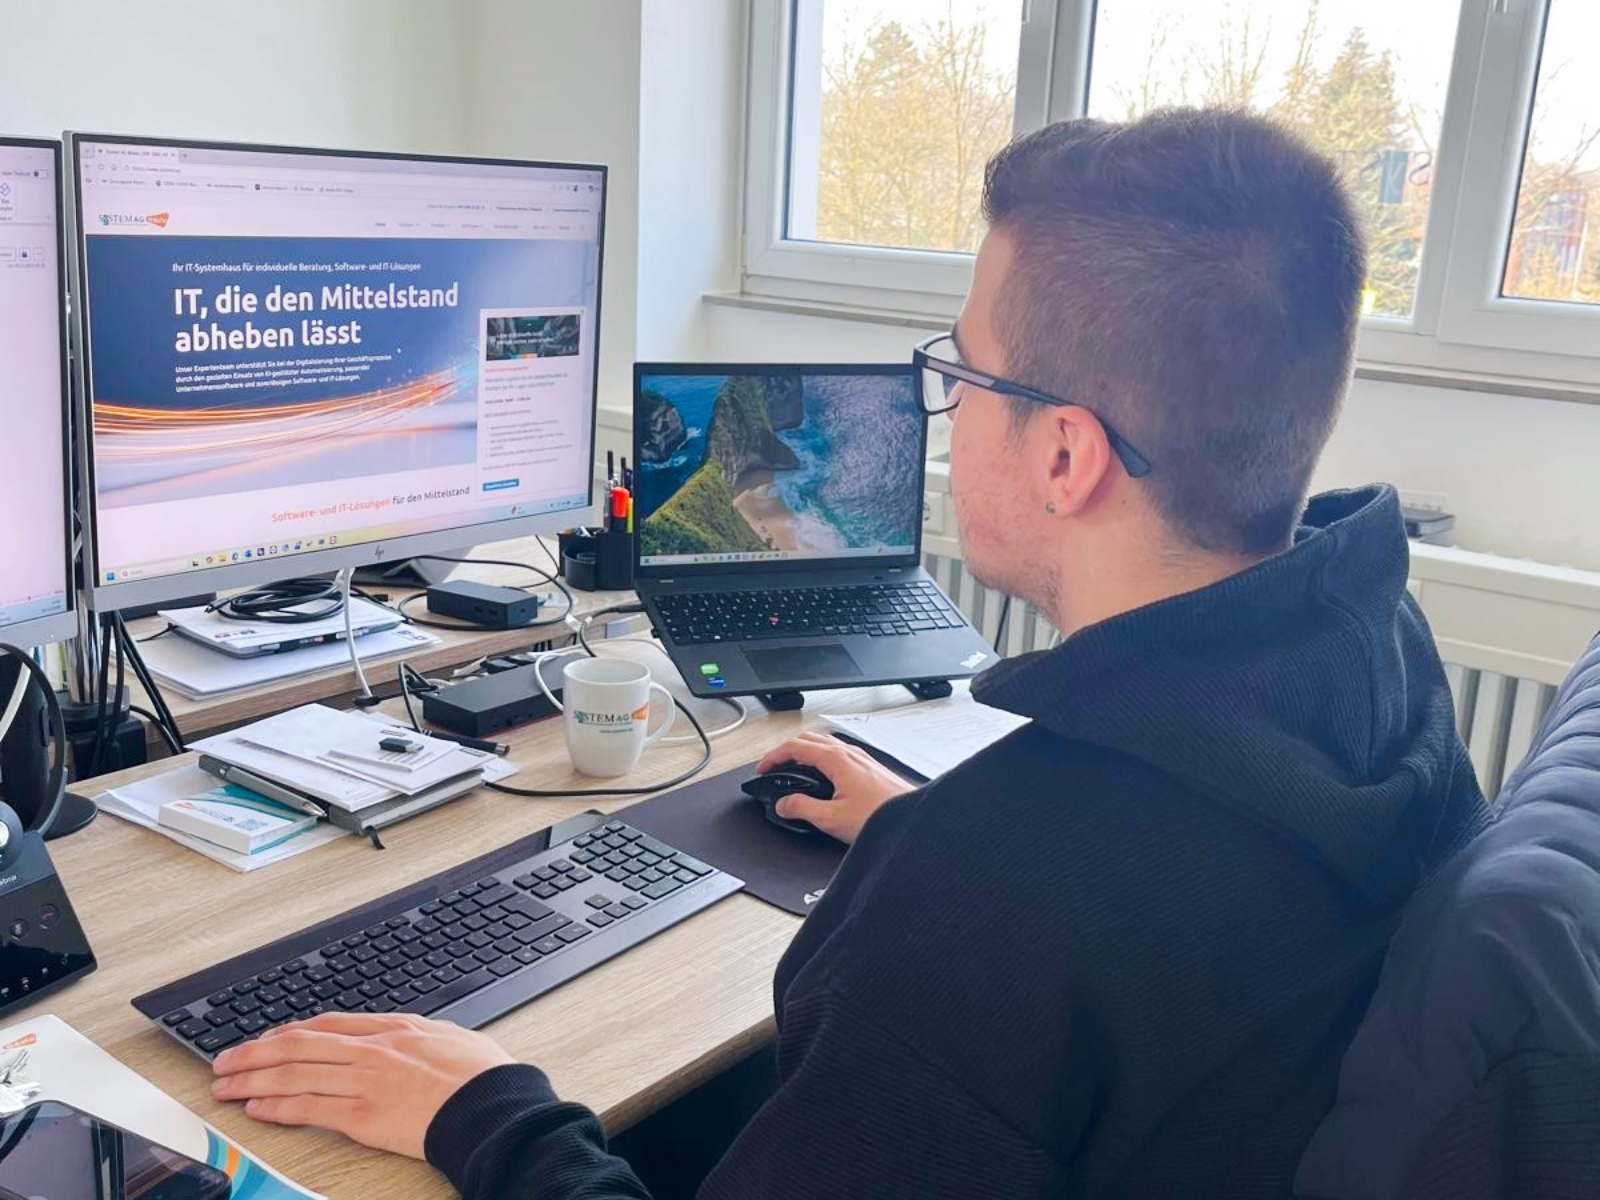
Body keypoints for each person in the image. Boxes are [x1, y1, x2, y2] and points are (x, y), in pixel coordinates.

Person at [209, 108, 1488, 1198]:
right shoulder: (1372, 657)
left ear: (1064, 454)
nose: (946, 411)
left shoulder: (1000, 892)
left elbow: (1044, 926)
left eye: (963, 372)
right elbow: (1145, 930)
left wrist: (483, 1112)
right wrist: (916, 836)